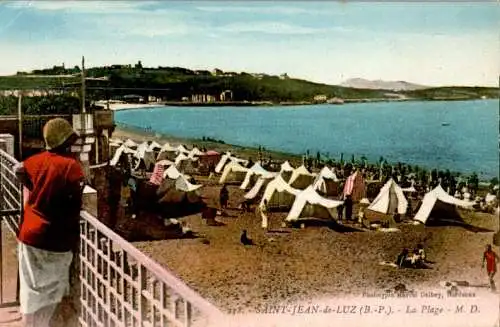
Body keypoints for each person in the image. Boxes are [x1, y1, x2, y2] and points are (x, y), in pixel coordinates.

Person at [14, 118, 84, 327]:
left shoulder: (35, 161)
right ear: (67, 142)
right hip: (56, 240)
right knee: (53, 296)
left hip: (29, 235)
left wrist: (33, 185)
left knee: (30, 291)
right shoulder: (72, 167)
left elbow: (19, 169)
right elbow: (76, 196)